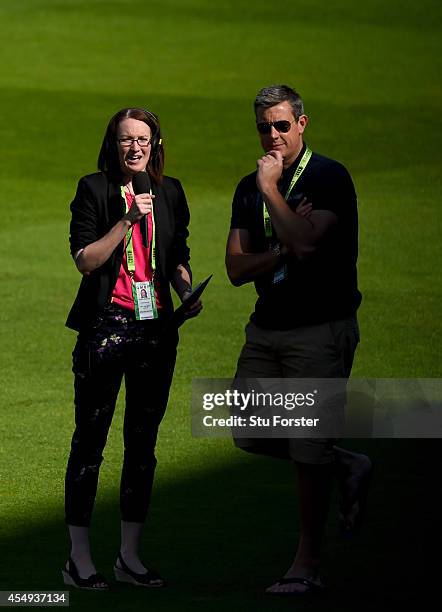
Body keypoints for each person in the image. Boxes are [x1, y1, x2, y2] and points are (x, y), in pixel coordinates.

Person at [225, 85, 372, 595]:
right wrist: (282, 249)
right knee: (246, 428)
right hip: (266, 328)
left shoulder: (329, 177)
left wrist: (272, 193)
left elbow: (310, 242)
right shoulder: (248, 185)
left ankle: (306, 565)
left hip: (320, 328)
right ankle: (347, 463)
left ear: (302, 124)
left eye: (282, 125)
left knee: (307, 450)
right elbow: (235, 268)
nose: (273, 135)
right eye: (265, 126)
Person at [63, 107, 201, 590]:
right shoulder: (94, 189)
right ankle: (79, 559)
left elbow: (177, 255)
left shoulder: (171, 192)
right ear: (114, 144)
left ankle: (129, 557)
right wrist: (126, 218)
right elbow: (86, 260)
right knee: (91, 443)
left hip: (155, 331)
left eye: (143, 139)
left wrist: (186, 292)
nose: (135, 147)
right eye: (126, 139)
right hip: (105, 328)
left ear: (155, 143)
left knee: (142, 446)